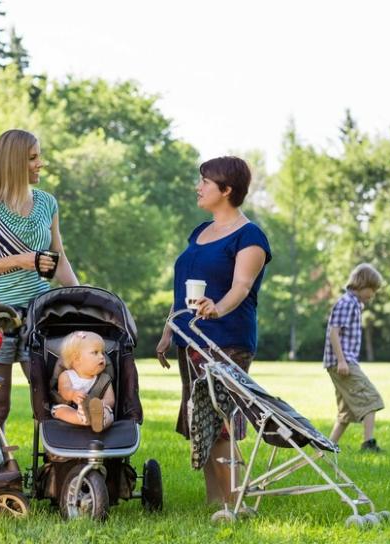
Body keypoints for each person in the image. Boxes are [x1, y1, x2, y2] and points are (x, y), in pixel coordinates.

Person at [155, 156, 271, 506]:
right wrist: (168, 329)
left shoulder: (250, 236)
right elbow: (184, 289)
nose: (198, 187)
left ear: (227, 189)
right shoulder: (200, 232)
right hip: (190, 339)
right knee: (199, 420)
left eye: (205, 181)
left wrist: (216, 308)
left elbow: (241, 286)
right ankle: (213, 501)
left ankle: (236, 502)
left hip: (226, 340)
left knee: (220, 420)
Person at [0, 129, 79, 428]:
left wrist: (79, 295)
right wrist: (20, 261)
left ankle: (53, 468)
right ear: (14, 163)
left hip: (39, 312)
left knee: (49, 397)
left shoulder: (47, 203)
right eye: (33, 158)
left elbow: (58, 256)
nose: (40, 164)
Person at [323, 263, 385, 452]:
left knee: (346, 412)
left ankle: (327, 447)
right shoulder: (347, 303)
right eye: (371, 290)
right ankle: (368, 444)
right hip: (343, 362)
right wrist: (341, 360)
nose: (372, 295)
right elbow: (334, 332)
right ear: (361, 284)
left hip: (342, 362)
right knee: (371, 400)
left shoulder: (355, 304)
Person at [51, 331, 115, 433]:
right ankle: (82, 419)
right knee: (60, 411)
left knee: (109, 412)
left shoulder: (104, 379)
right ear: (76, 359)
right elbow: (63, 390)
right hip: (71, 408)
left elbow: (110, 399)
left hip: (96, 410)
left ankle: (99, 422)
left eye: (102, 352)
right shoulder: (67, 375)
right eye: (95, 352)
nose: (102, 356)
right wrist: (72, 394)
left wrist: (100, 405)